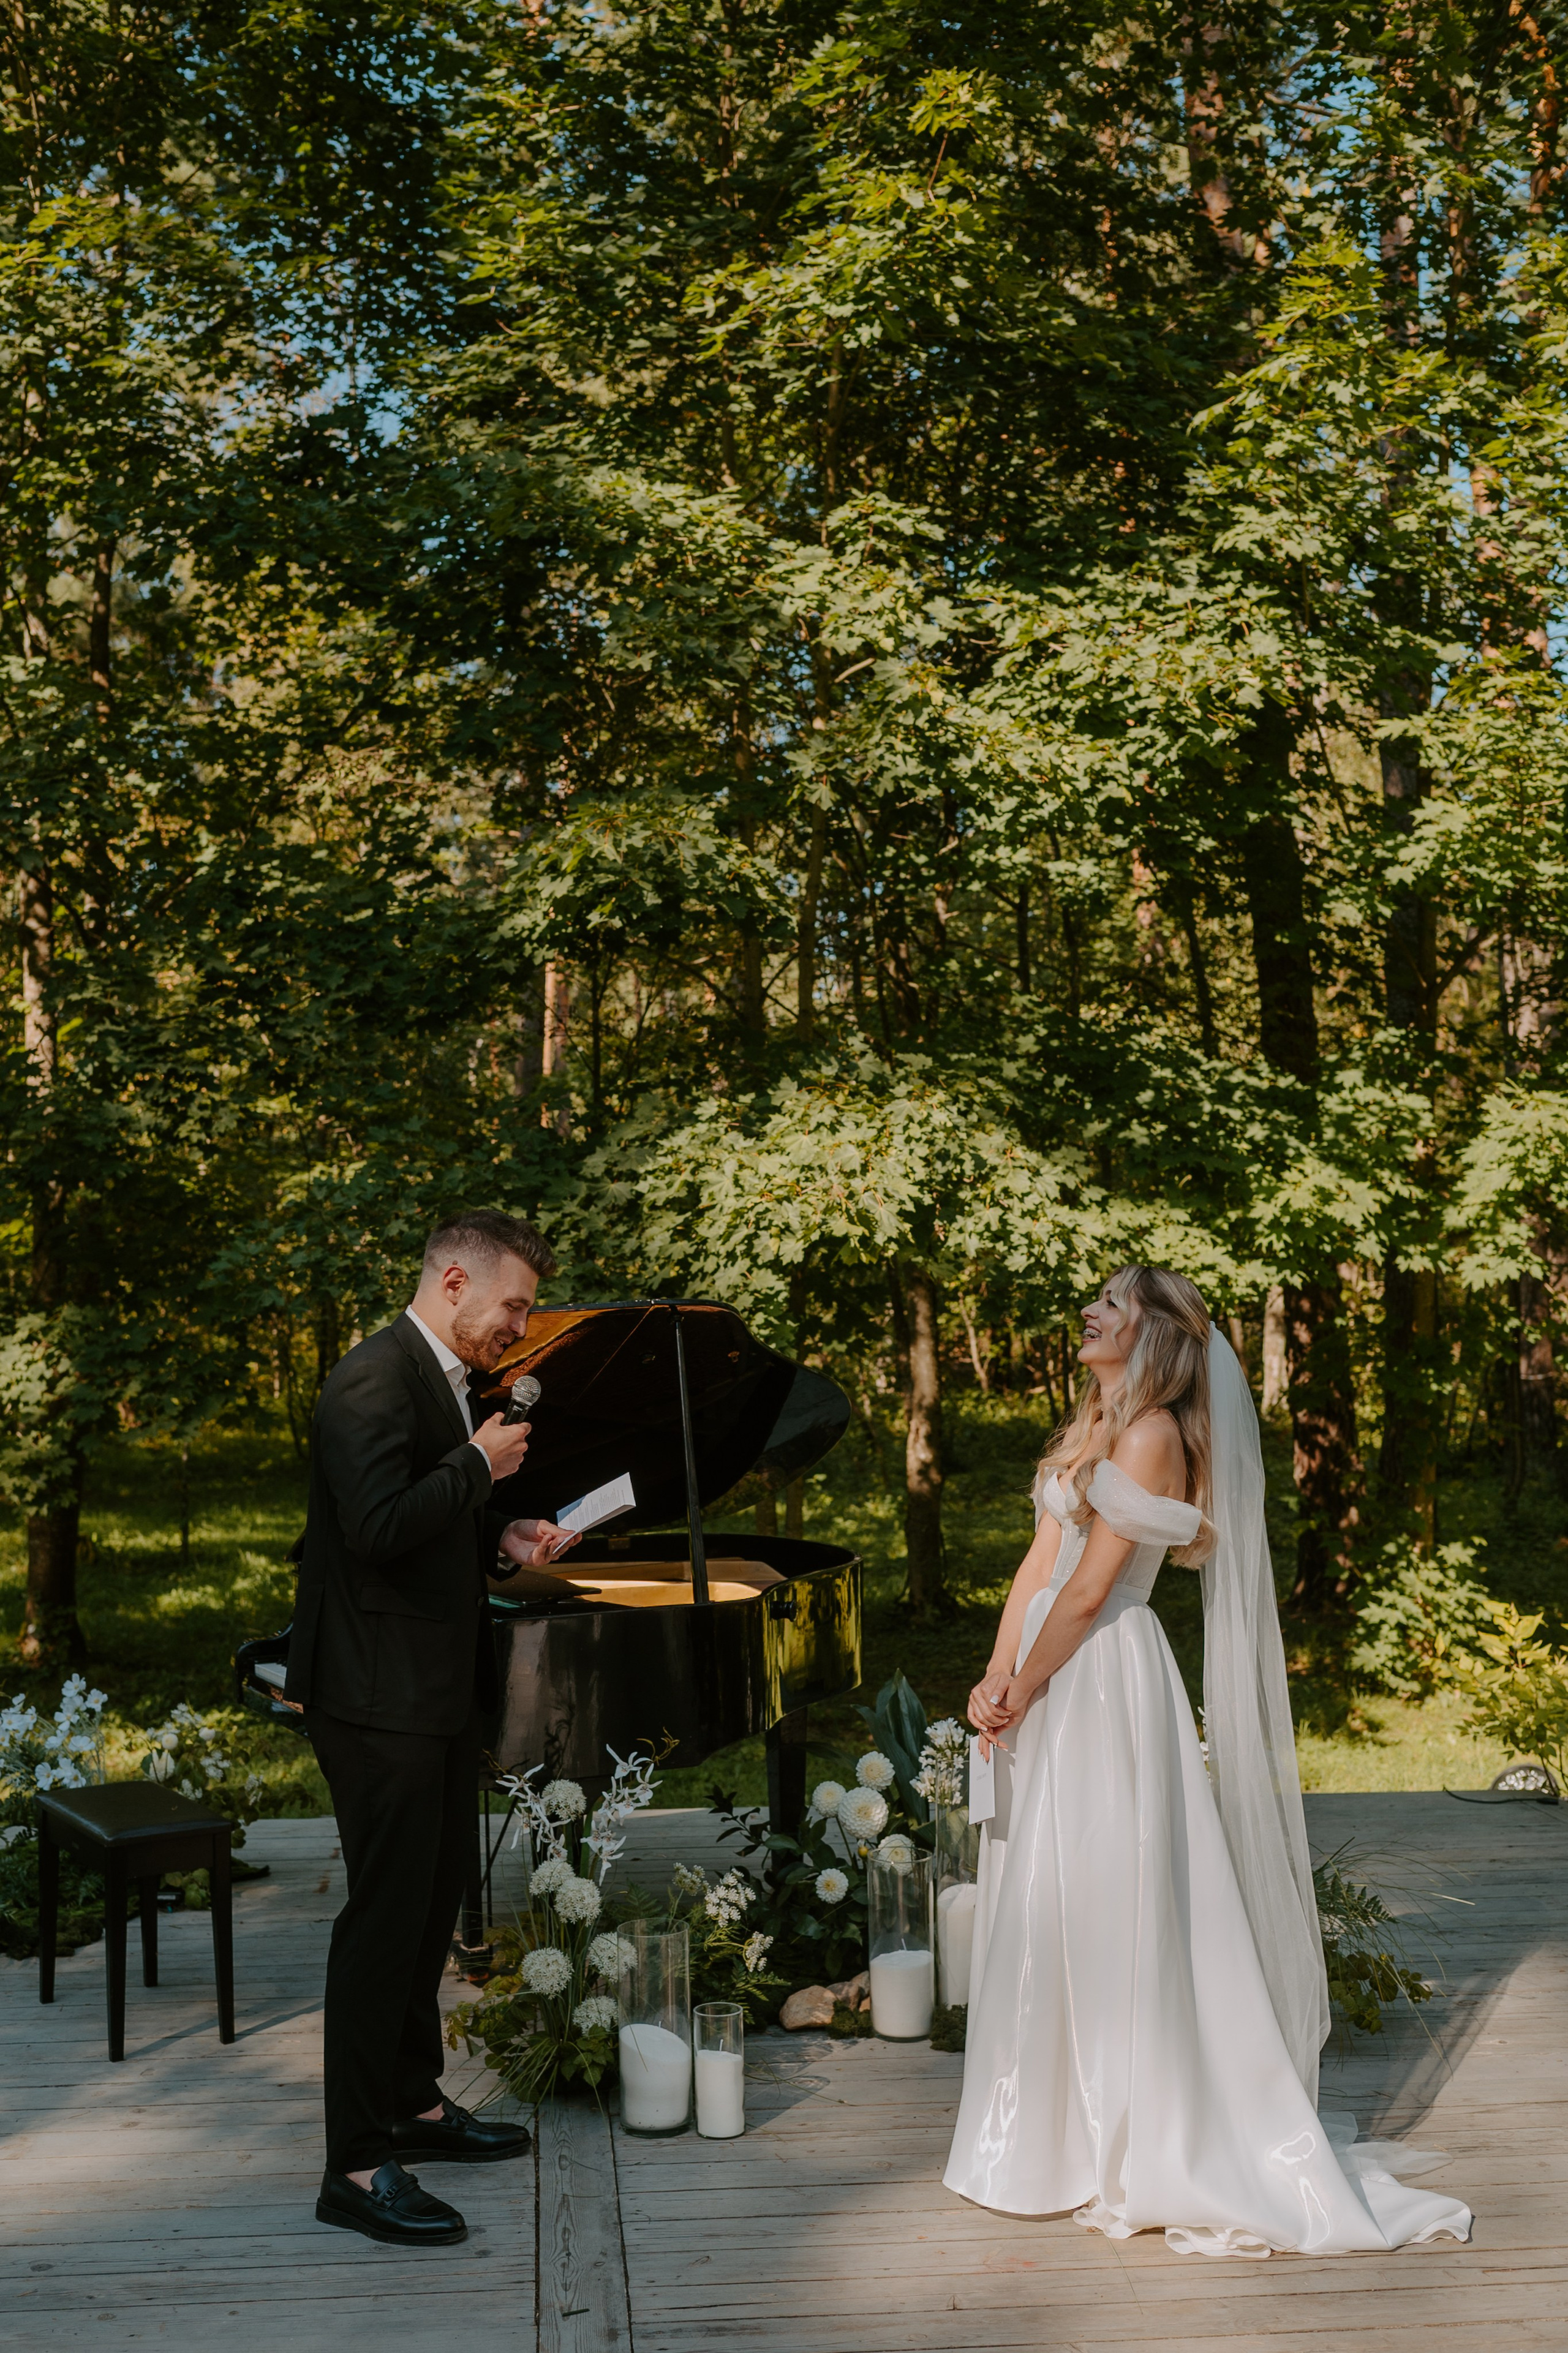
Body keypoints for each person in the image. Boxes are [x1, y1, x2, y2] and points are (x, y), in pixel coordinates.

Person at [944, 1265, 1472, 2257]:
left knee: (1107, 1887)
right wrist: (997, 1670)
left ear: (1155, 1334)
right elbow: (1039, 1567)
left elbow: (1092, 1591)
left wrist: (1029, 1684)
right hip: (1051, 1666)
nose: (1090, 1310)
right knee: (1048, 1888)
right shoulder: (1093, 1423)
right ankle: (1043, 2138)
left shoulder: (1152, 1434)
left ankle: (1121, 2134)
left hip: (1100, 1674)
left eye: (1113, 1302)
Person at [287, 1208, 580, 2248]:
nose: (521, 1327)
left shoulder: (444, 1379)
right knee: (385, 1922)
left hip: (437, 1693)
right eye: (515, 1305)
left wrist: (501, 1532)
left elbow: (423, 1517)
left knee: (427, 1913)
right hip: (376, 1698)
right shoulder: (371, 1377)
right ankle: (356, 2164)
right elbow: (372, 1529)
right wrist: (480, 1469)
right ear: (455, 1281)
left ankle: (413, 2102)